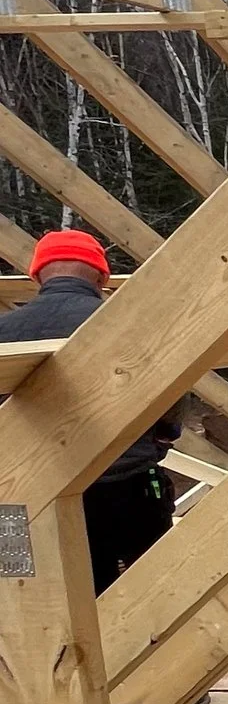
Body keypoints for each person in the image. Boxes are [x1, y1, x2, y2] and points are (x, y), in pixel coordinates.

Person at [0, 229, 183, 589]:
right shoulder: (134, 326)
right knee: (154, 593)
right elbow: (171, 402)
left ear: (38, 275)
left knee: (38, 596)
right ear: (101, 276)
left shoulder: (5, 330)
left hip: (29, 496)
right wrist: (155, 444)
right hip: (127, 486)